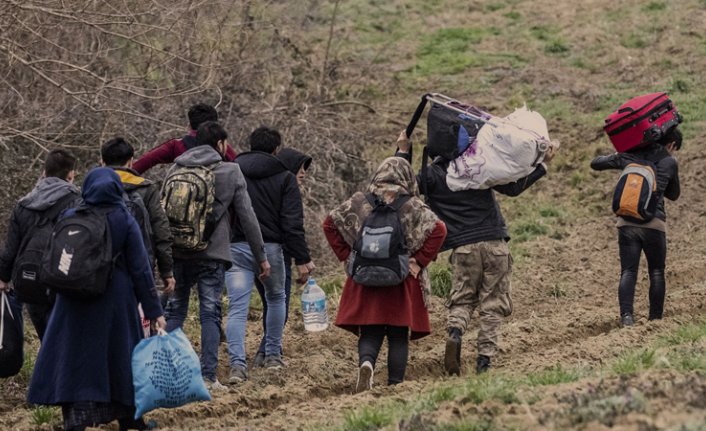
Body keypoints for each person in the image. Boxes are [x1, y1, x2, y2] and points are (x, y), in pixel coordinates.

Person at [395, 130, 555, 375]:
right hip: (495, 243)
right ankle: (484, 361)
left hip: (464, 248)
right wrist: (542, 165)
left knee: (463, 299)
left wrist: (404, 151)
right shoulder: (480, 165)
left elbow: (403, 186)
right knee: (493, 304)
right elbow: (513, 188)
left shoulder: (431, 176)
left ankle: (456, 332)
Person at [27, 167, 166, 431]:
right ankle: (131, 421)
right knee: (121, 361)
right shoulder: (124, 218)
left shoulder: (70, 215)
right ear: (116, 189)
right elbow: (141, 269)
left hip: (72, 302)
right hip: (115, 304)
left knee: (75, 361)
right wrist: (154, 309)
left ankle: (76, 421)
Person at [324, 156, 447, 391]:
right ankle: (395, 385)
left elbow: (329, 224)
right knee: (398, 335)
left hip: (365, 276)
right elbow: (439, 230)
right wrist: (419, 261)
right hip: (401, 278)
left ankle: (367, 364)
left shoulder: (360, 202)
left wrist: (347, 257)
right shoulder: (412, 204)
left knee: (370, 331)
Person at [164, 121, 267, 391]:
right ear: (220, 144)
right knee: (209, 314)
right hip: (212, 254)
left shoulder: (176, 167)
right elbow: (247, 217)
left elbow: (163, 213)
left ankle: (170, 373)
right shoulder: (230, 170)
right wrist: (261, 256)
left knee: (175, 310)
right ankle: (208, 376)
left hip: (177, 251)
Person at [227, 128, 315, 382]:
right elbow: (292, 223)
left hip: (238, 248)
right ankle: (273, 357)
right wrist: (302, 258)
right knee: (277, 299)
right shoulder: (285, 178)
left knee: (236, 308)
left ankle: (236, 365)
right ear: (276, 149)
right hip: (271, 249)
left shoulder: (233, 171)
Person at [590, 128, 681, 327]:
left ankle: (627, 317)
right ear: (672, 145)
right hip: (654, 224)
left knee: (628, 271)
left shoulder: (632, 155)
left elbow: (595, 163)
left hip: (627, 222)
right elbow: (674, 195)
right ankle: (655, 320)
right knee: (656, 271)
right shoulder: (669, 161)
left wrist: (621, 155)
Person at [0, 149, 80, 340]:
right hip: (61, 281)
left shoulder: (24, 203)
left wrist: (3, 277)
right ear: (71, 174)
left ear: (44, 171)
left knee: (45, 338)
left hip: (29, 280)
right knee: (61, 341)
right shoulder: (77, 202)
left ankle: (45, 364)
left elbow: (12, 247)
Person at [252, 148, 313, 366]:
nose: (304, 173)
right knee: (279, 304)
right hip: (276, 255)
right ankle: (268, 354)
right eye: (300, 168)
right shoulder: (285, 189)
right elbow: (292, 227)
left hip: (251, 252)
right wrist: (303, 259)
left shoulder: (263, 188)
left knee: (272, 304)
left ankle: (264, 352)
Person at [101, 137, 176, 299]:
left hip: (97, 265)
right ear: (130, 162)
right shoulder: (146, 188)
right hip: (138, 265)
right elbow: (161, 230)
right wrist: (166, 271)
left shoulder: (90, 188)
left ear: (102, 162)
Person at [132, 103, 237, 174]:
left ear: (189, 125)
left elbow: (144, 162)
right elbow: (239, 171)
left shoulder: (176, 145)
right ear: (216, 126)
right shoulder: (222, 146)